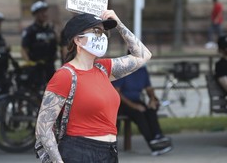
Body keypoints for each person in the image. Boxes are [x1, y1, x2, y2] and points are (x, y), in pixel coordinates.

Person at [35, 10, 152, 163]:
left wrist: (119, 23)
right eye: (96, 31)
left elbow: (143, 55)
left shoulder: (104, 68)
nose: (102, 36)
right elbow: (43, 128)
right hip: (80, 152)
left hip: (109, 152)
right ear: (78, 39)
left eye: (104, 32)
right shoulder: (65, 75)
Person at [112, 65, 172, 156]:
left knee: (151, 110)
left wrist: (152, 99)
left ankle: (158, 135)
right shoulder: (123, 70)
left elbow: (149, 88)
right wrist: (134, 106)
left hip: (137, 101)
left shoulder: (142, 70)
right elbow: (116, 92)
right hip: (122, 103)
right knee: (139, 114)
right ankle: (153, 145)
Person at [21, 1, 57, 90]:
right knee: (36, 92)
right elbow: (23, 49)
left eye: (45, 11)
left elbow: (58, 43)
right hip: (36, 67)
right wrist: (29, 62)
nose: (44, 14)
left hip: (50, 66)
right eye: (41, 12)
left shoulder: (50, 29)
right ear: (35, 14)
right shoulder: (30, 30)